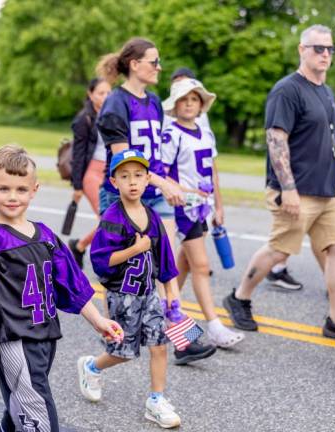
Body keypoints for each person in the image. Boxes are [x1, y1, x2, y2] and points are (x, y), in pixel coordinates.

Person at [0, 144, 123, 432]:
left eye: (21, 189)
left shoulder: (45, 235)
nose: (12, 197)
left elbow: (71, 283)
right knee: (38, 414)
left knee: (20, 404)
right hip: (13, 338)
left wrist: (98, 319)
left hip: (45, 334)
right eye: (4, 189)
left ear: (34, 190)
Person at [223, 25, 335, 344]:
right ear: (301, 49)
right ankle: (239, 298)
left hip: (328, 189)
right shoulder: (287, 90)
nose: (325, 54)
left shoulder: (325, 90)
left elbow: (325, 136)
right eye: (317, 48)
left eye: (329, 50)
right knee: (280, 248)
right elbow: (276, 139)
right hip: (296, 189)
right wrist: (289, 188)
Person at [77, 150, 186, 429]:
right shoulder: (113, 217)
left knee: (159, 344)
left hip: (149, 294)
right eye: (125, 177)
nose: (133, 182)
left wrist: (172, 291)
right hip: (121, 295)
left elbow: (165, 259)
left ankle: (156, 400)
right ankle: (91, 367)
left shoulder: (153, 217)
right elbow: (101, 261)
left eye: (138, 175)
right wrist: (135, 249)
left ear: (148, 179)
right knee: (123, 352)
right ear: (114, 182)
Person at [95, 38, 186, 338]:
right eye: (154, 61)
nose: (160, 67)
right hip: (125, 192)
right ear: (135, 64)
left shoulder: (155, 102)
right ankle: (115, 333)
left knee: (166, 254)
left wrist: (164, 180)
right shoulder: (115, 103)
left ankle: (177, 326)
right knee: (122, 266)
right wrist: (160, 181)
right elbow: (124, 161)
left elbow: (155, 151)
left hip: (154, 191)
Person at [161, 79, 245, 348]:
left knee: (183, 264)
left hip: (203, 208)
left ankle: (167, 313)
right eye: (184, 99)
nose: (189, 104)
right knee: (201, 266)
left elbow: (212, 172)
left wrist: (218, 205)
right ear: (175, 105)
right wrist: (186, 191)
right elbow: (161, 173)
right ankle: (214, 326)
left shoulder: (206, 133)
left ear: (201, 105)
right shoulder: (171, 133)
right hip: (182, 207)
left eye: (194, 99)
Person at [67, 78, 112, 267]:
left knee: (117, 218)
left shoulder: (114, 115)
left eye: (108, 93)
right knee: (108, 219)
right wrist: (77, 186)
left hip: (110, 172)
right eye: (101, 93)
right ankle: (103, 258)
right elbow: (78, 155)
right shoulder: (83, 119)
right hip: (92, 174)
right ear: (90, 94)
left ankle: (79, 245)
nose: (105, 97)